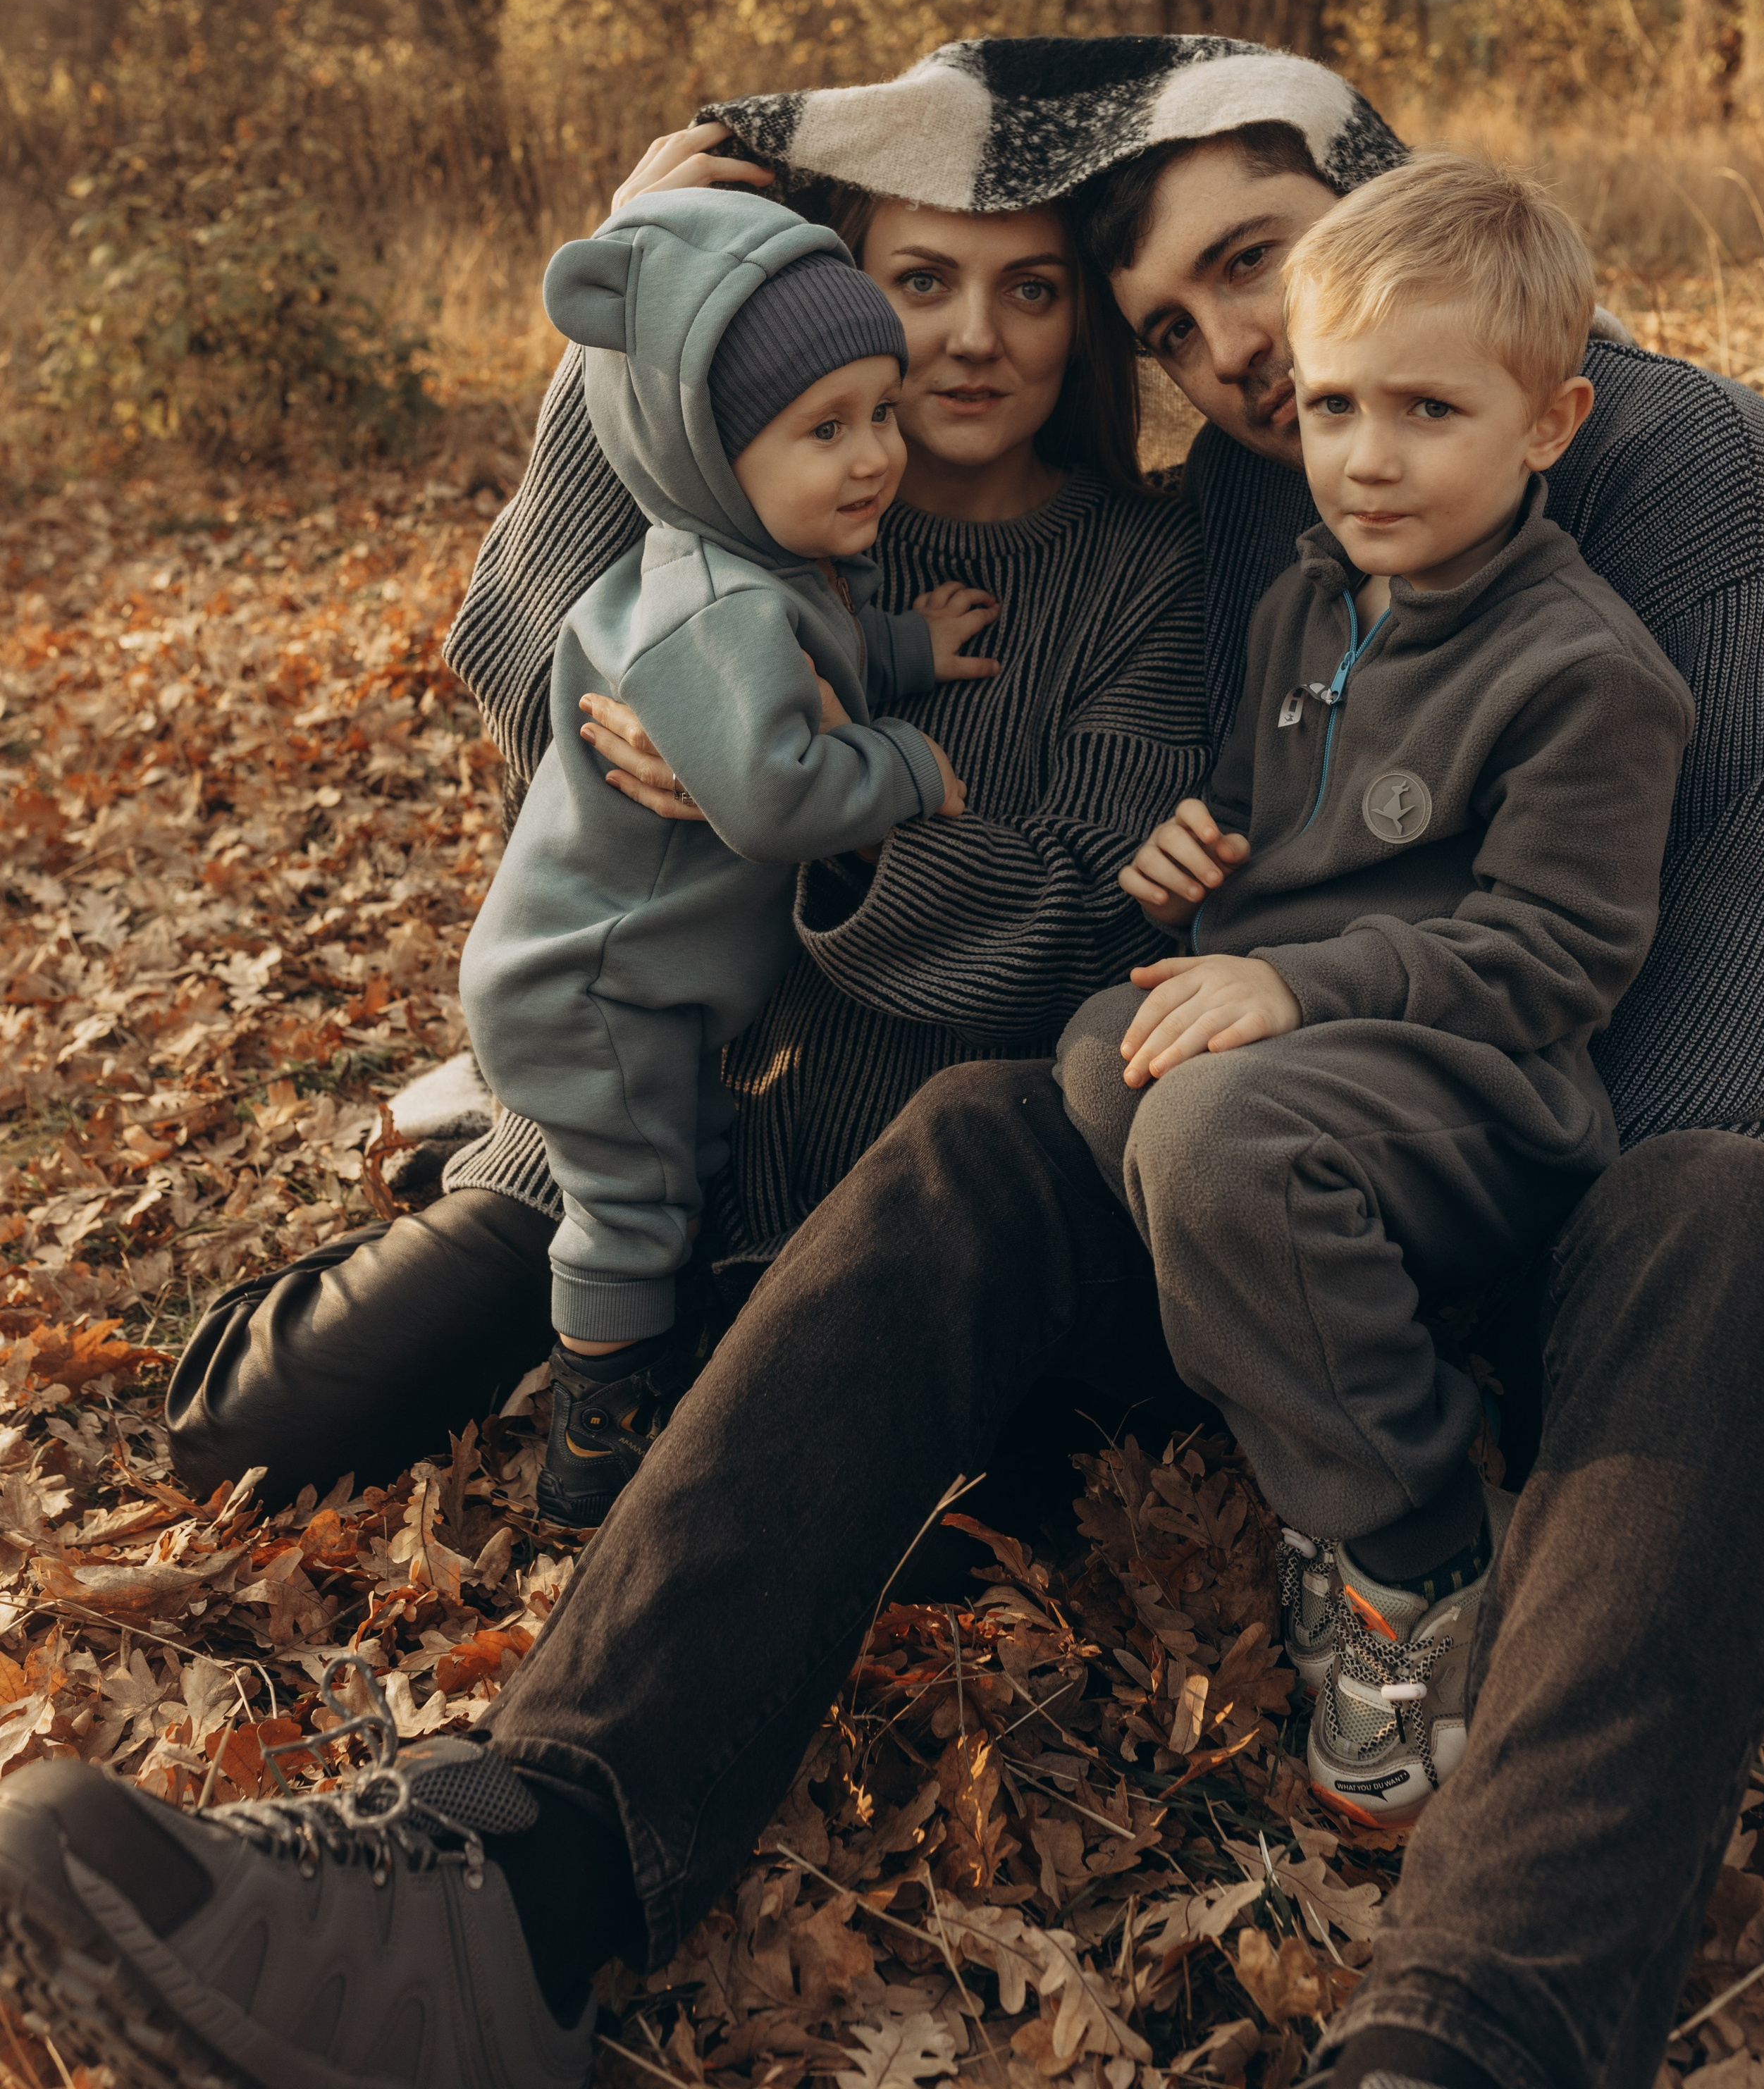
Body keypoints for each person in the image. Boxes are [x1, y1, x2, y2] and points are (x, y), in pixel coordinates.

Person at [42, 40, 1764, 2089]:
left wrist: (1466, 1389)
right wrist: (665, 256)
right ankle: (527, 1876)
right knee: (993, 1128)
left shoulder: (1684, 474)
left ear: (1380, 190)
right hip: (1267, 1169)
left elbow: (1732, 998)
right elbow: (618, 606)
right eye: (1178, 324)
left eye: (1258, 260)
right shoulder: (1263, 484)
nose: (1241, 352)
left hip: (1530, 1160)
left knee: (1725, 1213)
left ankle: (1478, 2034)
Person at [162, 125, 1216, 1508]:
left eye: (1028, 288)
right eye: (920, 282)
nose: (971, 339)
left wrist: (836, 826)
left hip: (881, 1169)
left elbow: (1082, 911)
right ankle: (468, 1178)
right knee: (251, 1435)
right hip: (633, 1104)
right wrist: (631, 310)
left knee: (888, 1540)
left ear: (1080, 317)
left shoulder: (1141, 567)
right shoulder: (744, 504)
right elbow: (528, 692)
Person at [1056, 152, 1693, 1823]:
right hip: (1319, 1053)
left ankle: (1410, 1541)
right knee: (1090, 1057)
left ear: (1544, 424)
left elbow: (1550, 957)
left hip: (1484, 1098)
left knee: (1202, 1140)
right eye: (1333, 409)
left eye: (1425, 410)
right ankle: (1323, 1398)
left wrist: (1291, 989)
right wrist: (1202, 865)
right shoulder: (1303, 608)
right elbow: (1292, 841)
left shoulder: (1583, 672)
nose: (1364, 456)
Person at [462, 192, 988, 1526]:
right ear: (706, 448)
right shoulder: (711, 609)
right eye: (824, 430)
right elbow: (770, 792)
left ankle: (645, 1354)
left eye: (881, 412)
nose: (874, 456)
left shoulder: (761, 565)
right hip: (595, 984)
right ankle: (601, 1441)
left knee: (677, 1159)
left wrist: (907, 650)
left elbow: (822, 660)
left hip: (630, 976)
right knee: (631, 1203)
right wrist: (910, 771)